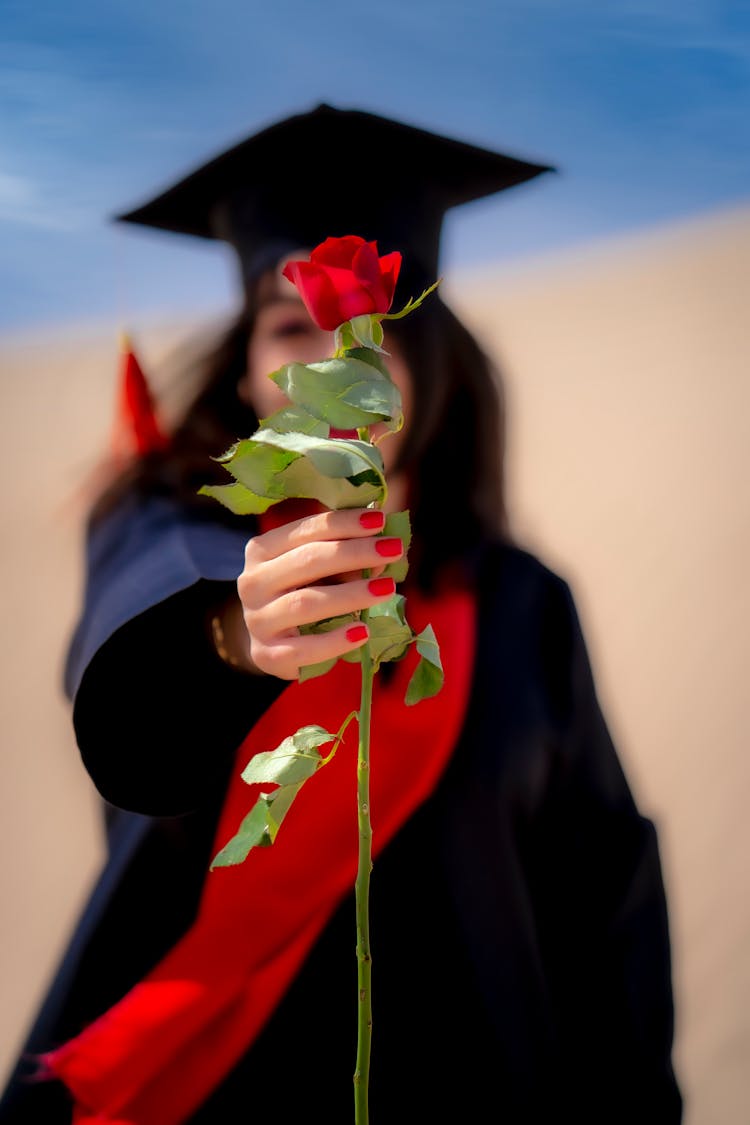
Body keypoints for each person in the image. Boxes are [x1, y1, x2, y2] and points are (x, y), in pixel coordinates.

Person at [0, 103, 682, 1124]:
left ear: (431, 364)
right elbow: (136, 676)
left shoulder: (520, 599)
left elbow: (605, 888)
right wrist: (232, 637)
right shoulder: (177, 534)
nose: (336, 361)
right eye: (292, 327)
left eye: (378, 331)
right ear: (244, 370)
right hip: (222, 1094)